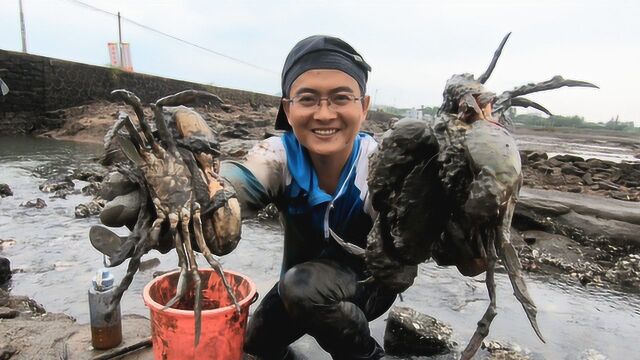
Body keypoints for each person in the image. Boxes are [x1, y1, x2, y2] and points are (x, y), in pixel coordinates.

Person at [221, 35, 393, 359]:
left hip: (368, 286)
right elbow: (240, 181)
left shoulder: (379, 167)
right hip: (296, 286)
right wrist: (204, 193)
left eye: (341, 98)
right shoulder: (280, 155)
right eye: (308, 99)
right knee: (255, 343)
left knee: (305, 289)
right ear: (288, 108)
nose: (324, 114)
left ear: (364, 106)